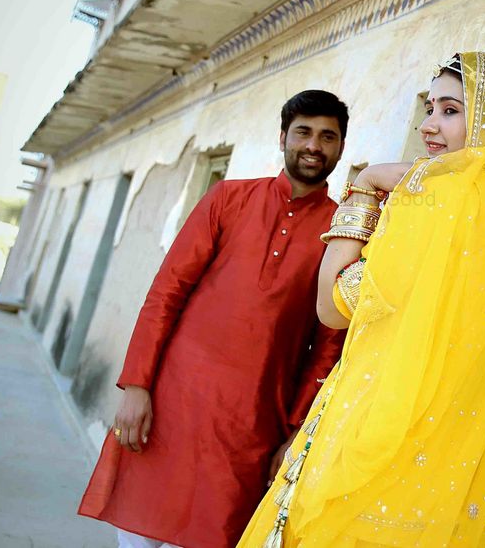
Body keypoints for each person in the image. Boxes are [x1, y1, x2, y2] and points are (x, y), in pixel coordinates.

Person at [238, 52, 485, 547]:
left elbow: (334, 304)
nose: (429, 125)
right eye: (430, 108)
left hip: (379, 418)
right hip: (445, 438)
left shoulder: (429, 198)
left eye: (451, 111)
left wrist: (364, 187)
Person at [79, 90, 352, 548]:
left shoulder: (340, 231)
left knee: (212, 534)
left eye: (328, 137)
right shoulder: (228, 198)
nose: (314, 146)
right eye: (303, 132)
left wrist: (295, 434)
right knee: (137, 530)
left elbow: (328, 346)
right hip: (171, 404)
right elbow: (167, 292)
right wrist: (137, 386)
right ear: (282, 136)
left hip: (251, 426)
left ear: (340, 148)